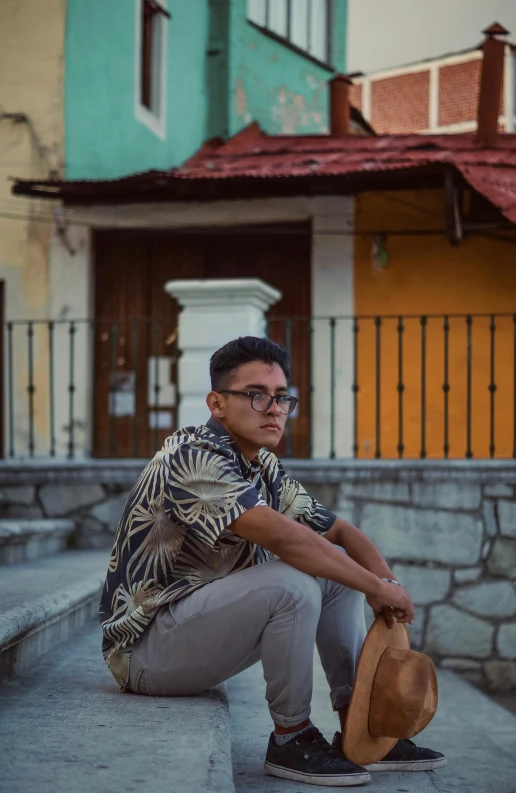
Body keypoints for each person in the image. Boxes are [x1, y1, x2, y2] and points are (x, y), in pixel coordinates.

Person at [100, 336, 446, 787]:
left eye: (282, 397)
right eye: (256, 394)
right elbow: (284, 537)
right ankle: (291, 737)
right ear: (217, 403)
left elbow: (340, 532)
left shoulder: (260, 465)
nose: (274, 408)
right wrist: (376, 588)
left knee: (337, 572)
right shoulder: (190, 457)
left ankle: (359, 725)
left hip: (195, 632)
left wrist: (385, 584)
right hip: (146, 654)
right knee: (294, 580)